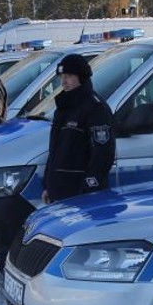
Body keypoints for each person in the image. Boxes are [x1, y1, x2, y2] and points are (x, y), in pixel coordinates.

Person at [42, 53, 115, 204]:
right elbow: (55, 151)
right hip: (59, 192)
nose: (63, 81)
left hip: (82, 193)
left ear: (81, 77)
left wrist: (89, 187)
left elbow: (103, 153)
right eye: (61, 77)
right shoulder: (63, 107)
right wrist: (48, 186)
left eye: (68, 76)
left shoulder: (95, 108)